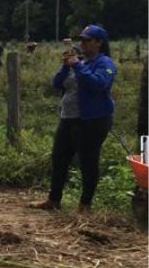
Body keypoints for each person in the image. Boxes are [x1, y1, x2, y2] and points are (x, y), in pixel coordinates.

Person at [29, 25, 118, 213]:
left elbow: (98, 84)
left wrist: (77, 65)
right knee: (59, 158)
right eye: (81, 40)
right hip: (68, 117)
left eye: (87, 40)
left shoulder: (104, 63)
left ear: (99, 43)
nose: (82, 43)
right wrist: (65, 66)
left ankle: (85, 205)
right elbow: (56, 83)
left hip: (91, 120)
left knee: (88, 161)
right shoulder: (80, 61)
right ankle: (53, 200)